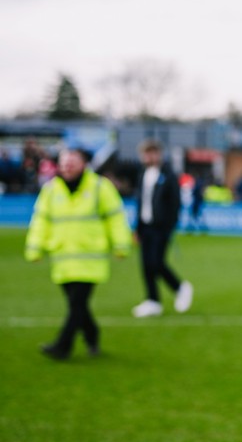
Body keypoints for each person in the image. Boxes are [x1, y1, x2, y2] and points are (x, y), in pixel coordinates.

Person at [25, 148, 132, 359]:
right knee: (78, 305)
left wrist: (121, 245)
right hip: (62, 257)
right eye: (64, 162)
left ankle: (63, 346)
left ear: (84, 163)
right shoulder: (51, 190)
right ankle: (92, 334)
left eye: (72, 161)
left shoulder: (101, 187)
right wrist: (35, 247)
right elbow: (40, 221)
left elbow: (116, 218)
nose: (67, 166)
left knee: (77, 304)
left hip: (91, 257)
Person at [131, 139, 193, 318]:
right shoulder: (142, 174)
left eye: (152, 153)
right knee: (145, 265)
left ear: (158, 154)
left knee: (156, 263)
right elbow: (141, 202)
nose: (149, 157)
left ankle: (180, 287)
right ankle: (153, 300)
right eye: (146, 153)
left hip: (161, 228)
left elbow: (175, 203)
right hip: (145, 226)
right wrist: (138, 228)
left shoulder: (168, 174)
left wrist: (169, 226)